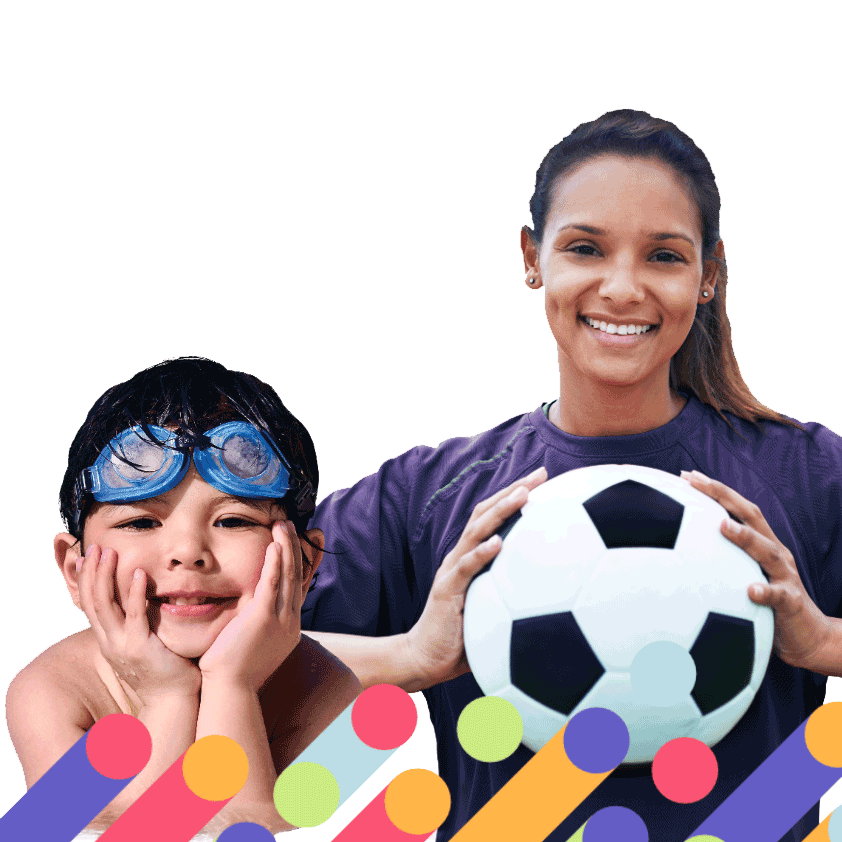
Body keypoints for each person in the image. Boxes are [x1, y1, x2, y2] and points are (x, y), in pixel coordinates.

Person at [301, 110, 842, 842]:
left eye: (664, 257)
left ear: (709, 275)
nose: (622, 288)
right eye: (586, 248)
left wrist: (822, 643)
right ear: (533, 257)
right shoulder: (425, 499)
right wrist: (411, 655)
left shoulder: (807, 477)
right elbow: (223, 656)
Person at [5, 357, 361, 836]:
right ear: (75, 568)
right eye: (140, 522)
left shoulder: (333, 695)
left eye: (234, 520)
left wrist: (230, 685)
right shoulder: (54, 692)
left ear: (303, 566)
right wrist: (168, 698)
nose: (188, 553)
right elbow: (65, 831)